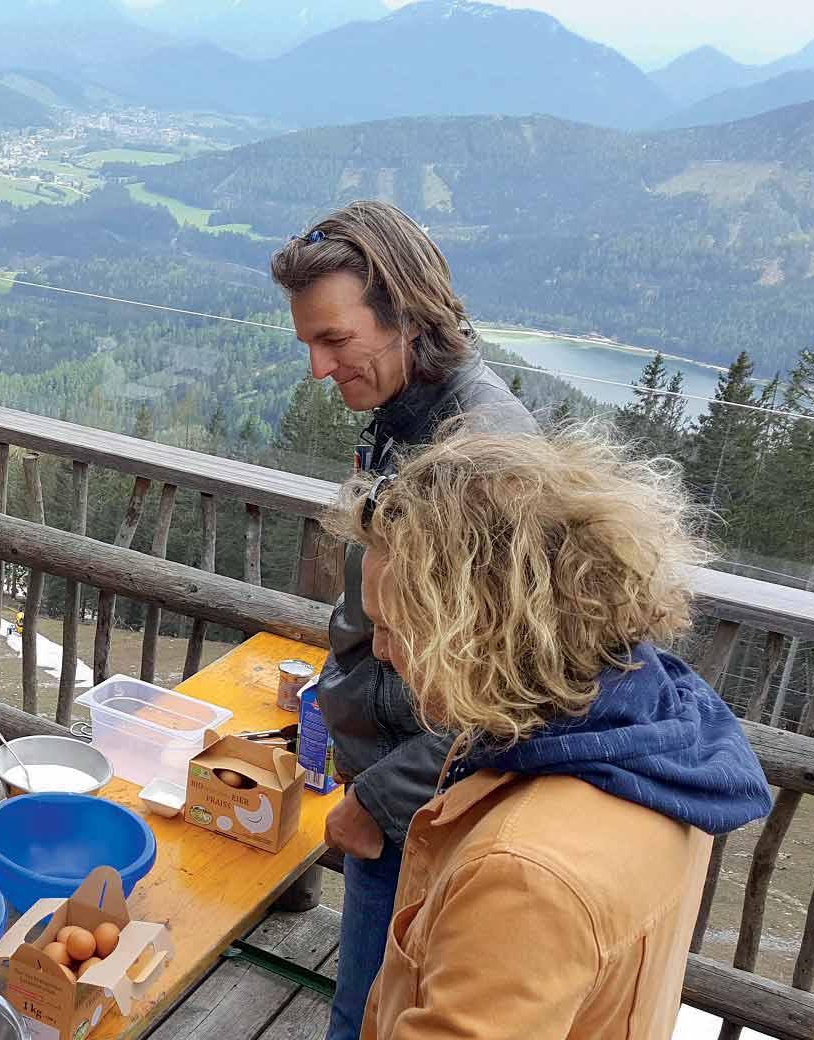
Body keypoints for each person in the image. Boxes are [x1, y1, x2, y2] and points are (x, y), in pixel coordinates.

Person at [324, 427, 771, 1039]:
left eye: (397, 630)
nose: (379, 652)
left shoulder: (524, 876)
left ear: (482, 629)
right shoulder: (655, 734)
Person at [268, 200, 538, 1038]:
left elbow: (515, 686)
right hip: (400, 787)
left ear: (407, 314)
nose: (318, 368)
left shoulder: (480, 459)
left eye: (334, 340)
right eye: (308, 343)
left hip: (426, 807)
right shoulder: (402, 419)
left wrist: (380, 800)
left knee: (370, 1016)